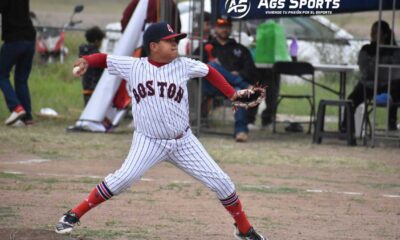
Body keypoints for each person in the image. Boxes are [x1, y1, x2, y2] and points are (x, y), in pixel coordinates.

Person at [55, 22, 266, 240]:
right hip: (149, 141)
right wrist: (86, 61)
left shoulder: (183, 65)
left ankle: (244, 229)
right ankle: (73, 214)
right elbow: (104, 59)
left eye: (176, 40)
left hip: (183, 141)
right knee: (123, 179)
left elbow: (209, 71)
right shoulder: (134, 66)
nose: (175, 44)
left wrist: (231, 94)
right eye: (170, 41)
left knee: (222, 183)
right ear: (153, 46)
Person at [196, 16, 260, 142]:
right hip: (211, 86)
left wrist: (239, 73)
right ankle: (244, 85)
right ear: (215, 28)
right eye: (221, 26)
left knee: (237, 92)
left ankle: (241, 131)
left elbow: (252, 71)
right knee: (212, 66)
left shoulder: (241, 49)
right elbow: (195, 66)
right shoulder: (205, 47)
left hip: (232, 89)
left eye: (226, 26)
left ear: (230, 28)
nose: (224, 29)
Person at [346, 20, 400, 131]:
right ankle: (346, 127)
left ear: (385, 35)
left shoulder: (394, 50)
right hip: (368, 84)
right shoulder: (366, 49)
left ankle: (391, 122)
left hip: (388, 85)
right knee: (351, 100)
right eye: (372, 32)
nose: (372, 35)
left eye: (376, 32)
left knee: (397, 85)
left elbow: (395, 70)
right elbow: (365, 70)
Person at [0, 0, 36, 126]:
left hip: (14, 39)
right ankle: (27, 117)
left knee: (1, 74)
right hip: (30, 38)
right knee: (21, 79)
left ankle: (16, 108)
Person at [79, 26, 105, 105]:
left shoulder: (83, 52)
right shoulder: (97, 55)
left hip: (86, 87)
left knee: (87, 108)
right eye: (101, 41)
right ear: (97, 41)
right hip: (96, 90)